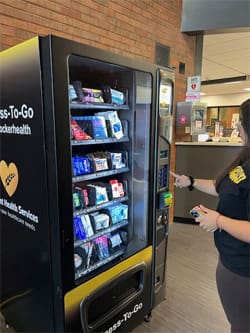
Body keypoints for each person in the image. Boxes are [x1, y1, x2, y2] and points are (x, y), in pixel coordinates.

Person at [170, 98, 250, 333]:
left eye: (241, 122)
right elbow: (221, 187)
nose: (237, 127)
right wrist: (190, 182)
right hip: (232, 263)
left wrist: (218, 220)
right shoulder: (244, 160)